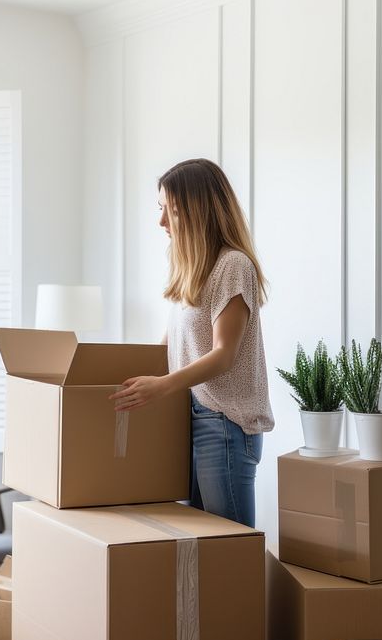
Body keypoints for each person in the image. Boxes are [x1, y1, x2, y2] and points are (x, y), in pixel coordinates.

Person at [110, 158, 274, 528]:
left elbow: (223, 354)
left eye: (173, 211)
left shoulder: (233, 266)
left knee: (226, 547)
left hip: (224, 423)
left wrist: (162, 386)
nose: (162, 222)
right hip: (191, 415)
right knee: (200, 542)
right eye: (161, 209)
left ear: (200, 211)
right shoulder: (190, 267)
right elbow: (168, 348)